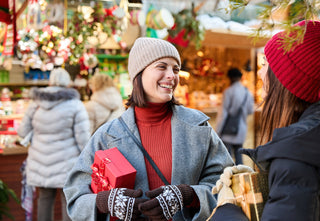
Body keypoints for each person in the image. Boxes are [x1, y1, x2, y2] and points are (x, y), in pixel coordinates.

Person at [63, 37, 234, 221]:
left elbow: (229, 186)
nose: (172, 75)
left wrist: (189, 195)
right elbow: (75, 197)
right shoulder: (107, 135)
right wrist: (104, 202)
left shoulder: (198, 127)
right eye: (162, 67)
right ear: (139, 74)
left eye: (175, 69)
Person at [210, 20, 320, 221]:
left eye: (265, 64)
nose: (260, 72)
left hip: (228, 130)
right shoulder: (305, 143)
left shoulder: (295, 157)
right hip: (241, 129)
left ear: (287, 79)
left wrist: (227, 208)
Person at [17, 68, 91, 221]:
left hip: (40, 162)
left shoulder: (35, 104)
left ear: (50, 81)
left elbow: (22, 132)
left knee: (44, 199)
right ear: (67, 82)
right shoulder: (75, 104)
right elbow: (83, 140)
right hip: (67, 163)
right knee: (68, 200)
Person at [215, 68, 254, 164]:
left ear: (230, 78)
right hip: (241, 129)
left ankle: (228, 178)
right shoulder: (247, 92)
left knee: (227, 160)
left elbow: (223, 114)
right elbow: (250, 111)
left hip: (228, 130)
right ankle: (241, 176)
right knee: (239, 157)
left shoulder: (228, 92)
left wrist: (218, 130)